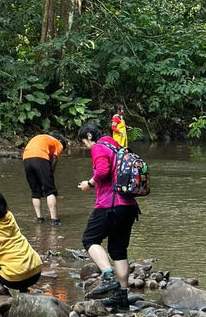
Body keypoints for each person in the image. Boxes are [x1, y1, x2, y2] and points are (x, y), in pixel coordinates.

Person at [77, 122, 139, 310]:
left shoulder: (99, 146)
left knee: (89, 240)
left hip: (110, 204)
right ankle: (121, 295)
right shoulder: (115, 145)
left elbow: (103, 171)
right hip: (128, 205)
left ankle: (108, 276)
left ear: (89, 136)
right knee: (118, 250)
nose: (85, 147)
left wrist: (89, 182)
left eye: (84, 142)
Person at [0, 189, 43, 293]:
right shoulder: (9, 216)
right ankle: (24, 290)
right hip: (36, 270)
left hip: (15, 279)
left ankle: (0, 290)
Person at [22, 132, 67, 226]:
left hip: (26, 158)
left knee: (35, 191)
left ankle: (39, 218)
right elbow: (54, 160)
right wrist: (49, 175)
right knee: (50, 190)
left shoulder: (44, 138)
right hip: (40, 157)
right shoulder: (58, 143)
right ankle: (55, 220)